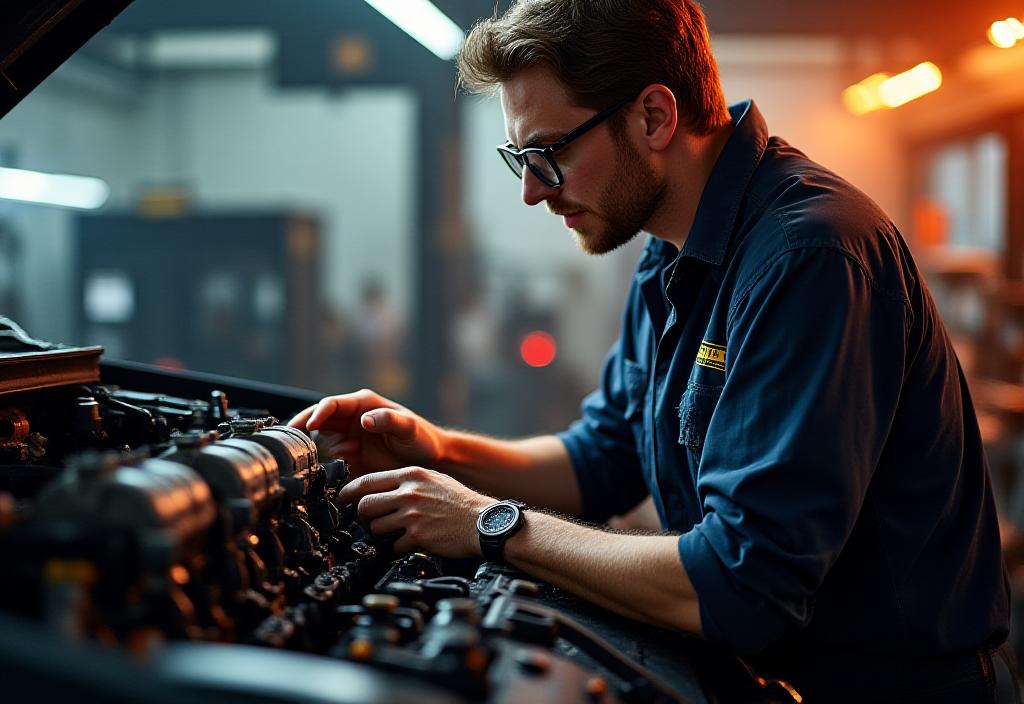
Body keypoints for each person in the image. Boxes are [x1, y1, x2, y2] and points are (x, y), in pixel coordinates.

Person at [289, 1, 1010, 700]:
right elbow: (604, 457)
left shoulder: (809, 255)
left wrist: (486, 524)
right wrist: (437, 453)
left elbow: (742, 581)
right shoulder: (671, 251)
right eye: (522, 159)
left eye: (551, 153)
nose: (533, 193)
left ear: (655, 117)